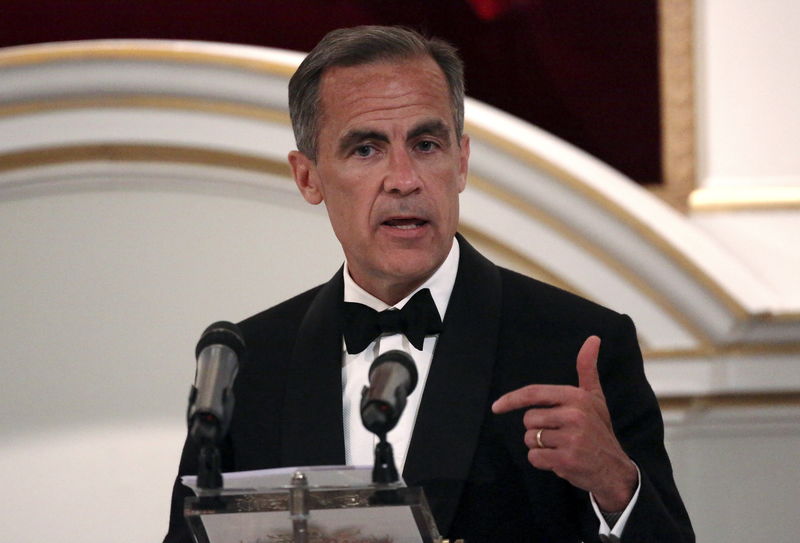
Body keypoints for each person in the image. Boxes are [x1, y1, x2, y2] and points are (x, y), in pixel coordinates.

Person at [165, 25, 693, 542]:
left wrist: (615, 484)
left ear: (460, 161)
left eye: (425, 144)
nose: (404, 178)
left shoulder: (576, 345)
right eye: (366, 149)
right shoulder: (248, 364)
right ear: (309, 177)